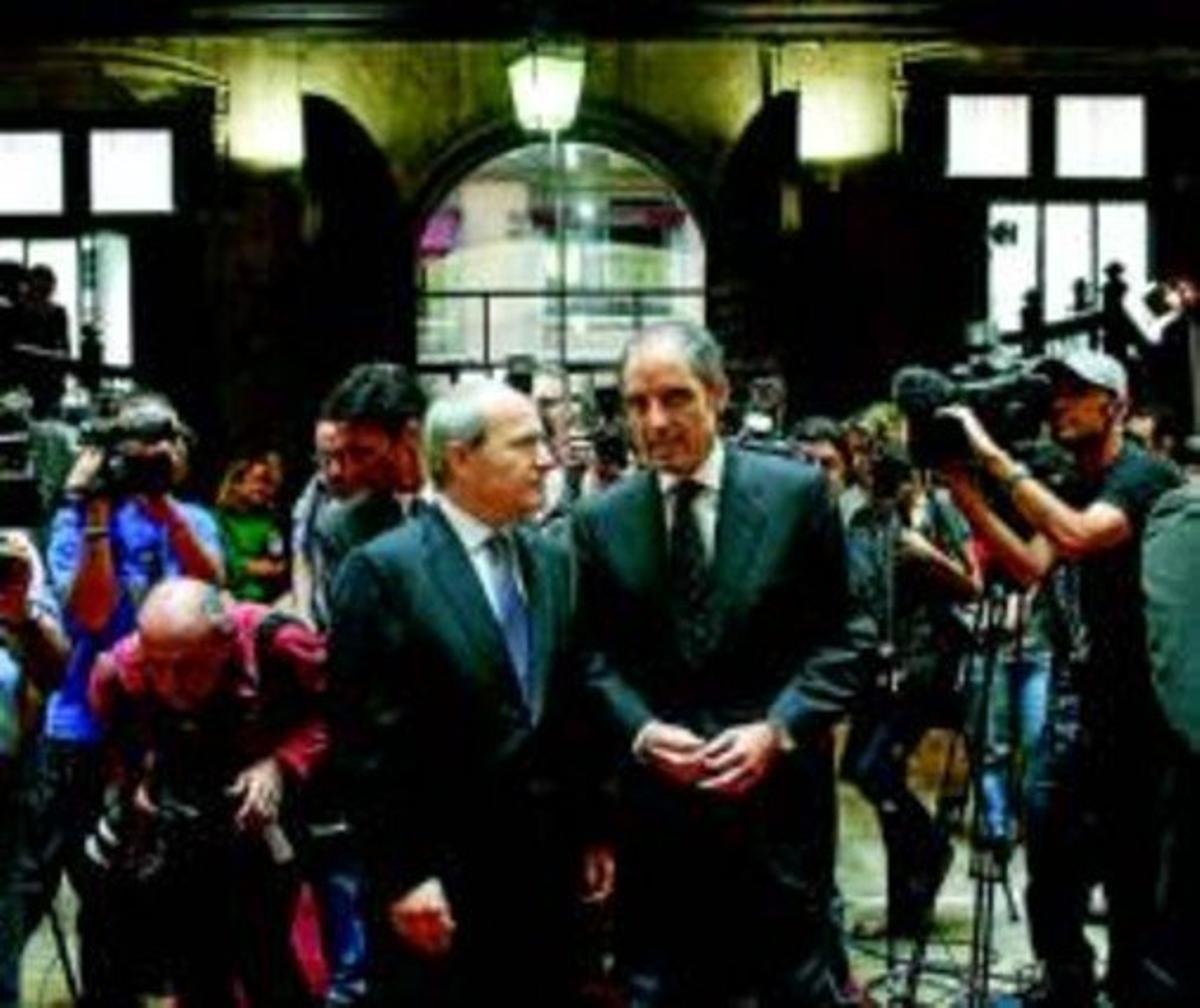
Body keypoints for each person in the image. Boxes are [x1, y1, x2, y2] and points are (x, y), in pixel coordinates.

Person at [572, 322, 865, 1007]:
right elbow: (589, 656)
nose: (654, 421)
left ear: (719, 394)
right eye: (635, 403)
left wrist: (778, 729)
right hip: (660, 828)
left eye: (674, 398)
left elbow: (846, 640)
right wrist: (641, 731)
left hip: (779, 818)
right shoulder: (599, 520)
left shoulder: (796, 495)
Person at [330, 379, 612, 1006]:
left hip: (548, 884)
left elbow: (569, 711)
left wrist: (591, 830)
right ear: (460, 456)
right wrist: (402, 876)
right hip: (443, 889)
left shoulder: (551, 560)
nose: (547, 458)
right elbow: (362, 746)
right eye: (526, 443)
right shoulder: (384, 571)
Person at [937, 348, 1182, 1006]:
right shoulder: (1075, 481)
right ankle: (1065, 979)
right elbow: (1028, 564)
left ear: (1117, 406)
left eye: (1077, 393)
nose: (1059, 404)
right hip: (1082, 706)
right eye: (1056, 392)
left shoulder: (1143, 475)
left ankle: (1130, 984)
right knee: (1049, 855)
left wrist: (990, 454)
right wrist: (961, 489)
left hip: (1142, 718)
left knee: (1133, 878)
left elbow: (1076, 537)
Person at [21, 390, 223, 1006]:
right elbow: (91, 613)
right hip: (88, 722)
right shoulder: (77, 520)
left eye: (165, 448)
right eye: (138, 455)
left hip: (172, 721)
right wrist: (97, 516)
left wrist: (166, 509)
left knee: (172, 889)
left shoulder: (193, 517)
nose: (154, 464)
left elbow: (213, 593)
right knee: (96, 886)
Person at [87, 577, 327, 1007]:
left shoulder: (279, 645)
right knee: (195, 968)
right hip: (182, 829)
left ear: (225, 641)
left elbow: (340, 711)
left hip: (271, 826)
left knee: (271, 962)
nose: (170, 682)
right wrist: (139, 776)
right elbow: (119, 737)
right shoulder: (120, 671)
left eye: (187, 666)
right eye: (156, 665)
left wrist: (280, 762)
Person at [0, 530, 68, 1008]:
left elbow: (56, 669)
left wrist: (20, 612)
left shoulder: (16, 549)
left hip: (9, 777)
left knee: (7, 905)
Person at [216, 452, 288, 603]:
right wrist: (250, 566)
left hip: (266, 599)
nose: (262, 488)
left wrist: (278, 567)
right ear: (237, 483)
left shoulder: (270, 519)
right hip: (231, 596)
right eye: (257, 481)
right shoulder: (220, 518)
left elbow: (277, 554)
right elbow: (224, 558)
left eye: (268, 483)